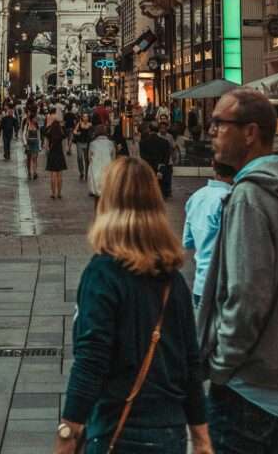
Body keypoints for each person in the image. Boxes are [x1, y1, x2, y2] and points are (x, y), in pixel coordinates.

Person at [198, 88, 278, 454]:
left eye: (219, 124)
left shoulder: (250, 197)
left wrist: (221, 367)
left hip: (250, 384)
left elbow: (246, 295)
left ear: (250, 132)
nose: (211, 131)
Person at [55, 157, 212, 454]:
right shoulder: (172, 280)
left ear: (107, 203)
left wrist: (67, 434)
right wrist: (201, 437)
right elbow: (191, 363)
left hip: (118, 431)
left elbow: (91, 361)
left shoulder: (102, 274)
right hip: (169, 434)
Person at [182, 161, 234, 310]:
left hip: (200, 283)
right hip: (225, 286)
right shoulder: (232, 199)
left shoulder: (197, 196)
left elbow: (188, 241)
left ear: (213, 167)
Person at [139, 121, 172, 199]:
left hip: (148, 167)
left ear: (149, 130)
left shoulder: (143, 142)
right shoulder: (165, 142)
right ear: (158, 130)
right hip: (160, 168)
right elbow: (166, 157)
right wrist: (161, 169)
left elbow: (142, 156)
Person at [87, 125, 115, 209]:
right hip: (107, 172)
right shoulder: (110, 143)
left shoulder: (92, 144)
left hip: (96, 172)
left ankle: (97, 216)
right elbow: (113, 158)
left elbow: (89, 158)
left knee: (97, 198)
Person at [45, 112, 67, 199]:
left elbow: (46, 144)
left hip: (52, 153)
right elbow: (64, 140)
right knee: (59, 175)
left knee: (53, 174)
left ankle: (53, 193)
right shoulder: (61, 131)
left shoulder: (49, 131)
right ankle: (59, 193)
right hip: (59, 153)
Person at [73, 112, 92, 181]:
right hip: (79, 143)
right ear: (82, 118)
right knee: (79, 158)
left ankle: (87, 173)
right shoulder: (79, 124)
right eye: (84, 117)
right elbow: (74, 131)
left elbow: (92, 132)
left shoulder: (90, 125)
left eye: (86, 117)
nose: (85, 118)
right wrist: (77, 133)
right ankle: (81, 172)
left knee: (86, 159)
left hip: (87, 143)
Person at [22, 112, 41, 180]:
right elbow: (24, 134)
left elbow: (39, 136)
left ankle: (35, 172)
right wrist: (25, 143)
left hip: (35, 142)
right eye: (35, 118)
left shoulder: (37, 126)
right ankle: (29, 172)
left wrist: (39, 146)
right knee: (29, 159)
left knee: (34, 158)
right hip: (29, 143)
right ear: (31, 119)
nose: (36, 119)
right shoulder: (27, 125)